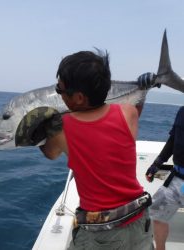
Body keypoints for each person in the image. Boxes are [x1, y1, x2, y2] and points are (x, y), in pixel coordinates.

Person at [39, 50, 153, 250]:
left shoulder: (62, 129)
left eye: (60, 90)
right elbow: (134, 113)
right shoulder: (128, 113)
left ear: (79, 97)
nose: (59, 94)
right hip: (140, 221)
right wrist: (142, 90)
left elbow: (51, 153)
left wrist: (39, 135)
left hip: (101, 233)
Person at [145, 106, 184, 250]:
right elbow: (173, 140)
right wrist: (156, 164)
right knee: (157, 214)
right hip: (177, 179)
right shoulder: (182, 111)